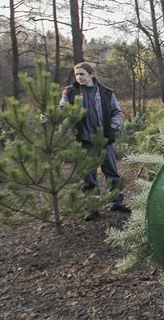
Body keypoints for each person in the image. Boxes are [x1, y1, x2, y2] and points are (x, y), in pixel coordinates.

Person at [60, 62, 131, 217]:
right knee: (88, 175)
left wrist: (112, 128)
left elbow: (117, 112)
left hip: (105, 140)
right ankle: (93, 208)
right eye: (77, 74)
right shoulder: (70, 92)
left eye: (82, 74)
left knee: (112, 172)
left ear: (91, 74)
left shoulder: (106, 92)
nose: (79, 77)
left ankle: (117, 202)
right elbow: (62, 110)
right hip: (83, 141)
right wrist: (50, 117)